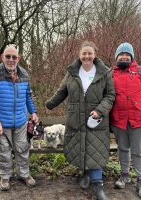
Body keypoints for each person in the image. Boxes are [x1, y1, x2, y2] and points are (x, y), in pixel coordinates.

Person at [45, 41, 115, 200]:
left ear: (95, 54)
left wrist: (99, 110)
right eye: (84, 53)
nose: (87, 56)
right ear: (79, 55)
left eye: (90, 53)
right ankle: (85, 174)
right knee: (80, 146)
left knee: (95, 149)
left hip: (95, 119)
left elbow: (110, 96)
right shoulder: (72, 72)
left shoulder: (104, 73)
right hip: (75, 118)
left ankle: (98, 184)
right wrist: (49, 104)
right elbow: (62, 91)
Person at [0, 45, 38, 191]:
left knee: (22, 149)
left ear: (18, 58)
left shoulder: (24, 74)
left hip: (20, 122)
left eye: (14, 57)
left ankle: (24, 174)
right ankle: (5, 177)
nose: (11, 60)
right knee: (4, 152)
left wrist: (33, 112)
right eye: (8, 56)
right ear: (2, 57)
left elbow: (28, 96)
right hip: (1, 123)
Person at [110, 42, 141, 199]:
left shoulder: (140, 71)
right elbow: (107, 97)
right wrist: (108, 118)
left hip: (138, 119)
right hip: (119, 119)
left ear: (131, 57)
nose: (124, 56)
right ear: (116, 57)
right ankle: (124, 175)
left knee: (139, 151)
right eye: (121, 54)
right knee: (123, 149)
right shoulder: (111, 74)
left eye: (127, 55)